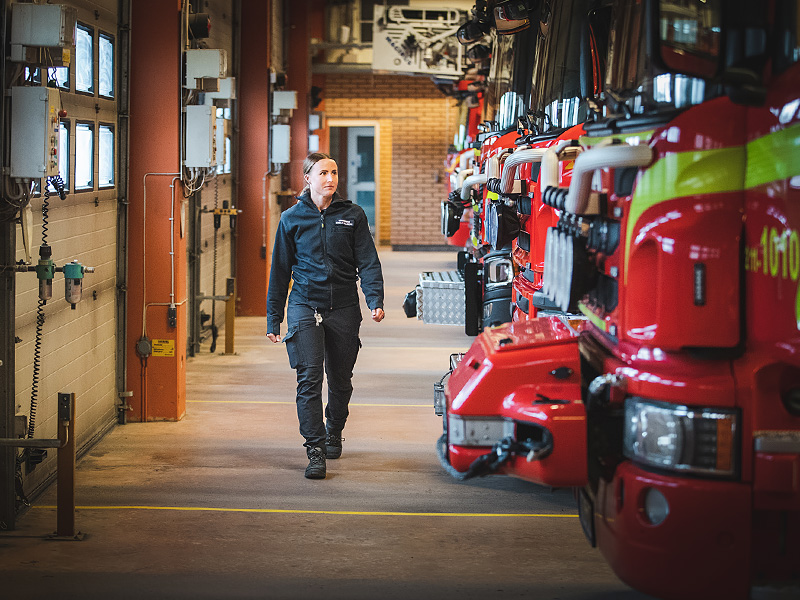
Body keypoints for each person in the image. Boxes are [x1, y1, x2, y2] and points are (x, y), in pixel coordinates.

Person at [266, 152, 385, 479]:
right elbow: (279, 270)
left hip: (344, 306)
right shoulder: (292, 218)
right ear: (308, 178)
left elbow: (368, 261)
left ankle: (334, 426)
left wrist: (374, 298)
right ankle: (315, 448)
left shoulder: (353, 215)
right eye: (322, 173)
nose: (330, 178)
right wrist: (273, 317)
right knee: (309, 378)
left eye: (333, 172)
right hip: (305, 304)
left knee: (340, 378)